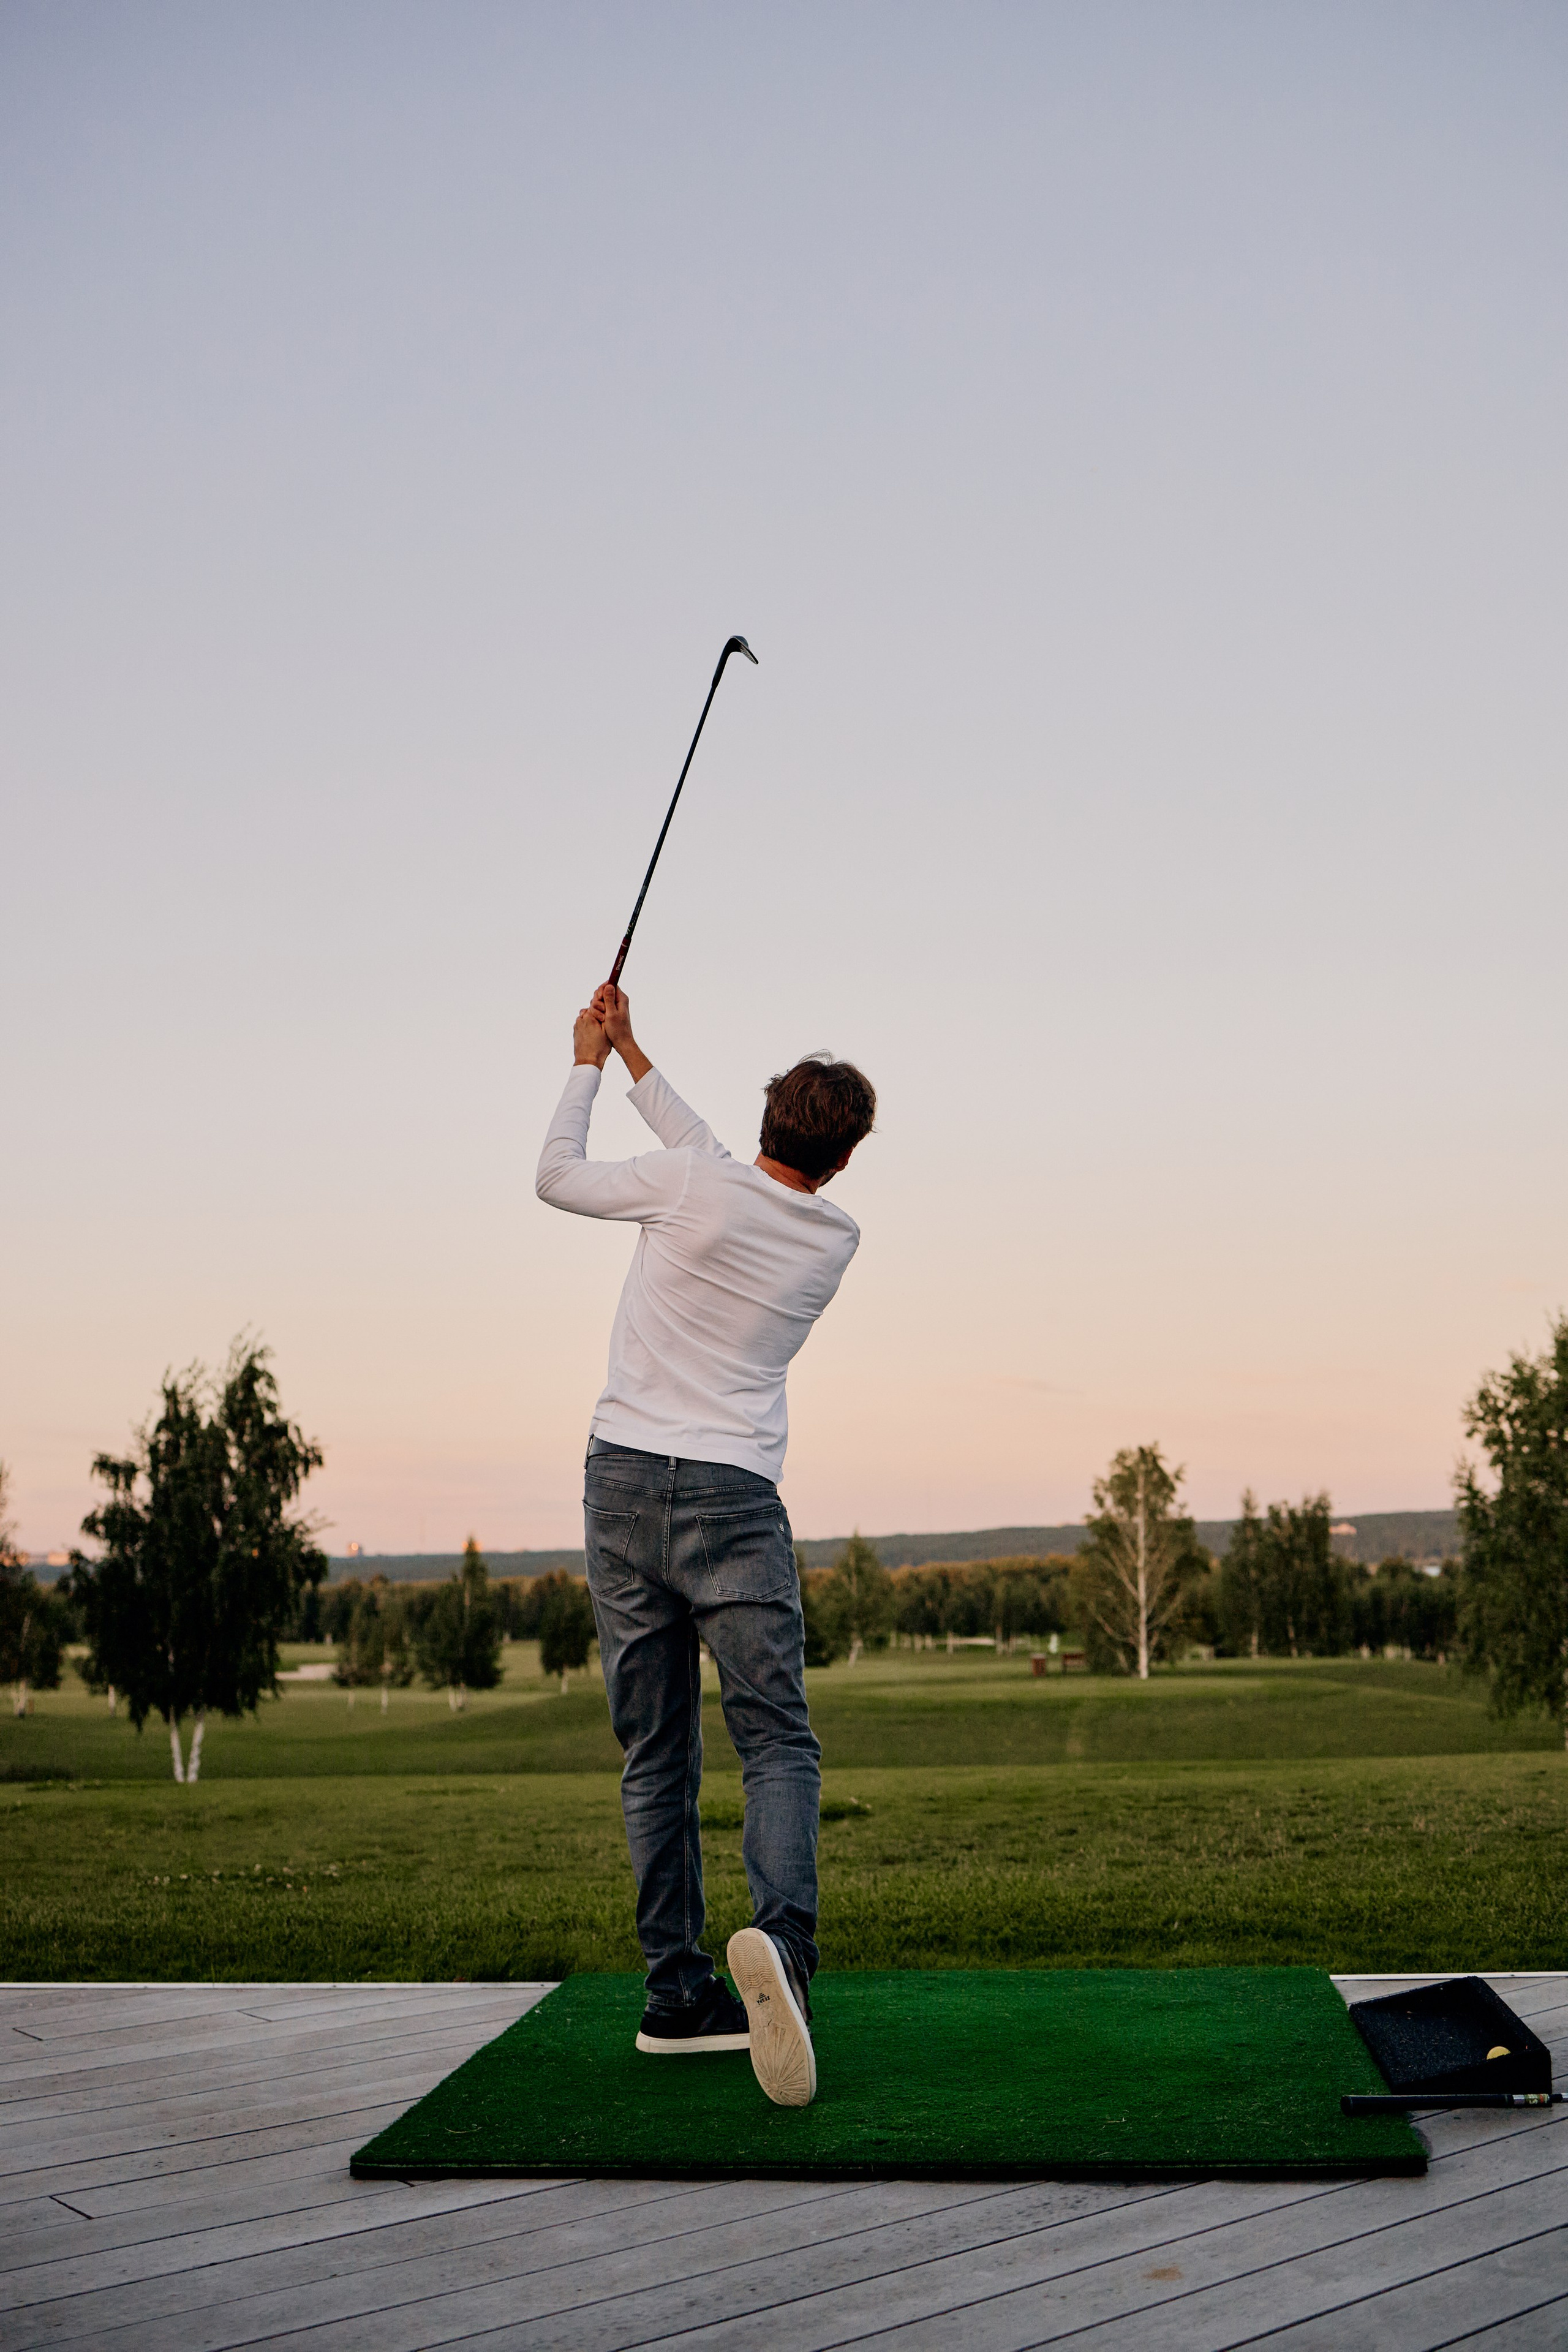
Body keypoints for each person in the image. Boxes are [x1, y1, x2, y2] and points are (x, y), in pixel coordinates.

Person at [535, 982, 875, 2107]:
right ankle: (785, 1957)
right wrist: (631, 1048)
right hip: (734, 1496)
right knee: (776, 1739)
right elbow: (712, 1158)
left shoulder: (692, 1185)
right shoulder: (831, 1235)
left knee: (657, 1753)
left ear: (770, 1112)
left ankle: (677, 1998)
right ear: (840, 1158)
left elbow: (559, 1176)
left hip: (623, 1481)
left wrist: (584, 1064)